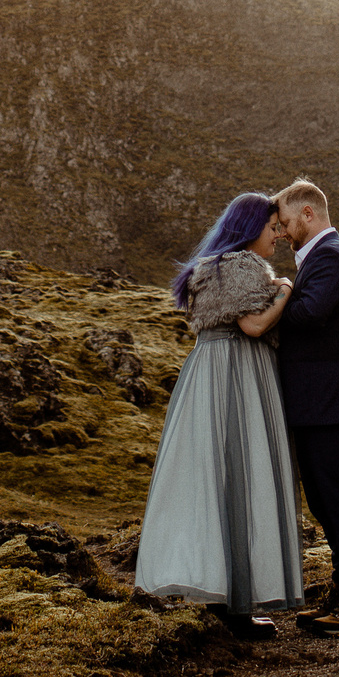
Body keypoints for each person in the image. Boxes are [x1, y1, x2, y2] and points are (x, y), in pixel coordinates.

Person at [133, 191, 303, 638]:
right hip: (235, 373)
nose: (278, 236)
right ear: (250, 229)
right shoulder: (239, 266)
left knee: (215, 476)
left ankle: (220, 590)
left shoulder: (216, 267)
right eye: (271, 229)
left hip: (212, 372)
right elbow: (253, 325)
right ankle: (236, 605)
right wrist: (285, 287)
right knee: (240, 475)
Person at [271, 177, 339, 636]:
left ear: (308, 214)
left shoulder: (333, 256)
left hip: (336, 403)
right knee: (326, 501)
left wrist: (275, 296)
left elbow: (309, 314)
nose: (279, 232)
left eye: (284, 223)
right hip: (321, 405)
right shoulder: (320, 258)